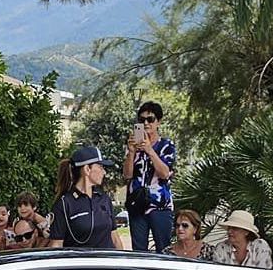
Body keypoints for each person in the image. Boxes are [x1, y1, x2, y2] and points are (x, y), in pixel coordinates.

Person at [123, 100, 177, 253]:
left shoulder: (166, 145)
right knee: (139, 251)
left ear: (158, 122)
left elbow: (165, 173)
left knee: (164, 249)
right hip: (137, 203)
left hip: (160, 204)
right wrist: (132, 152)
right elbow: (127, 175)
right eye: (142, 120)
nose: (146, 123)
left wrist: (149, 150)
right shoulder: (132, 146)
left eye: (150, 119)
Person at [49, 146, 118, 249]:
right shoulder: (64, 204)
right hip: (80, 263)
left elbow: (115, 238)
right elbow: (56, 244)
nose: (104, 172)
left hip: (107, 263)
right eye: (100, 167)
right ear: (87, 169)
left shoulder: (104, 199)